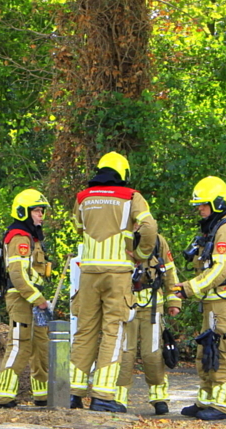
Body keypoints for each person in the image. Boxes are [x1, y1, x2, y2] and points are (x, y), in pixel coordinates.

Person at [69, 152, 158, 412]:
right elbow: (149, 227)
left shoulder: (83, 197)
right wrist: (140, 255)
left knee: (84, 331)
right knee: (113, 331)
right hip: (117, 274)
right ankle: (103, 397)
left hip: (88, 274)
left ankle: (72, 394)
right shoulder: (131, 197)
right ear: (123, 173)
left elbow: (78, 227)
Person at [171, 176, 226, 421]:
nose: (199, 209)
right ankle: (205, 400)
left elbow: (221, 269)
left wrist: (189, 288)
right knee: (207, 350)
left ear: (217, 202)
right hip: (214, 300)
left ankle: (223, 405)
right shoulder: (214, 227)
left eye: (203, 204)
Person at [0, 189, 52, 408]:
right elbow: (17, 275)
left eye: (41, 211)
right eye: (36, 211)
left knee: (40, 346)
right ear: (23, 212)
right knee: (20, 345)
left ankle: (42, 395)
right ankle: (3, 396)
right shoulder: (19, 237)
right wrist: (39, 300)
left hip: (34, 300)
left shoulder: (32, 237)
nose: (40, 215)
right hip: (21, 300)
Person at [114, 233, 181, 414]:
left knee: (152, 354)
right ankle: (119, 398)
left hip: (153, 306)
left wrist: (173, 301)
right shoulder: (120, 237)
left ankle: (159, 397)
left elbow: (169, 271)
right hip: (126, 304)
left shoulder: (158, 241)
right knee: (125, 353)